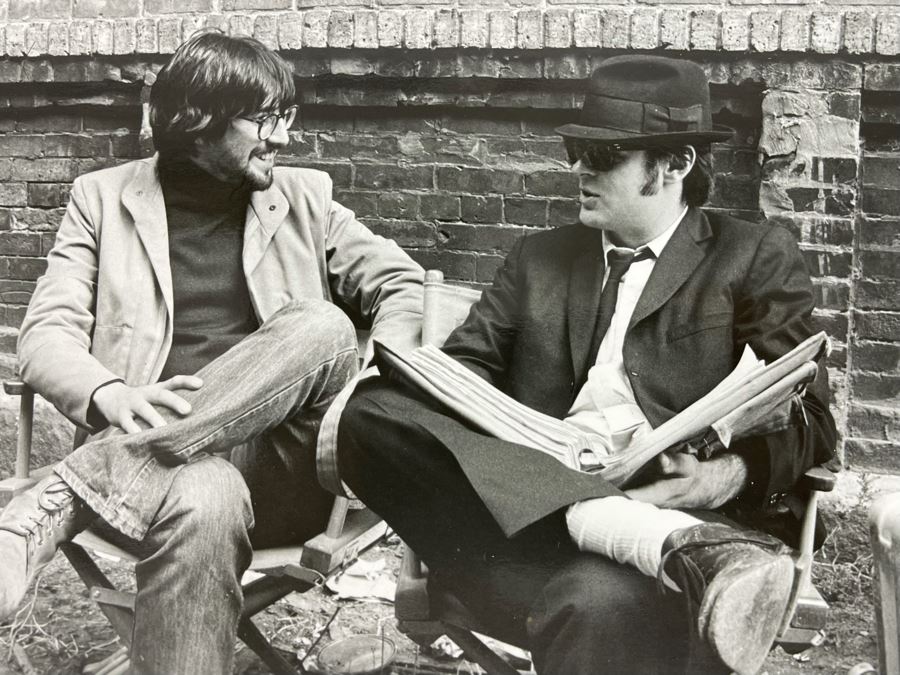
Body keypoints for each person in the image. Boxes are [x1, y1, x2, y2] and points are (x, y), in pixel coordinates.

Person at [333, 55, 837, 675]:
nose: (578, 169)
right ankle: (635, 534)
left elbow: (813, 420)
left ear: (675, 164)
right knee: (370, 411)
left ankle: (666, 542)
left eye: (603, 156)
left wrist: (724, 476)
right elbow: (459, 380)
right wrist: (439, 392)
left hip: (670, 518)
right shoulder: (538, 259)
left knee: (596, 605)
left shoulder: (750, 257)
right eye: (577, 149)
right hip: (523, 529)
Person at [0, 30, 423, 674]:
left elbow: (401, 285)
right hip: (164, 490)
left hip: (283, 468)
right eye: (266, 119)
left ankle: (62, 495)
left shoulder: (306, 199)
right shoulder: (103, 201)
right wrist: (111, 394)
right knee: (205, 491)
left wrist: (376, 376)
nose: (281, 137)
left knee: (320, 325)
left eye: (287, 117)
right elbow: (45, 333)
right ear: (198, 122)